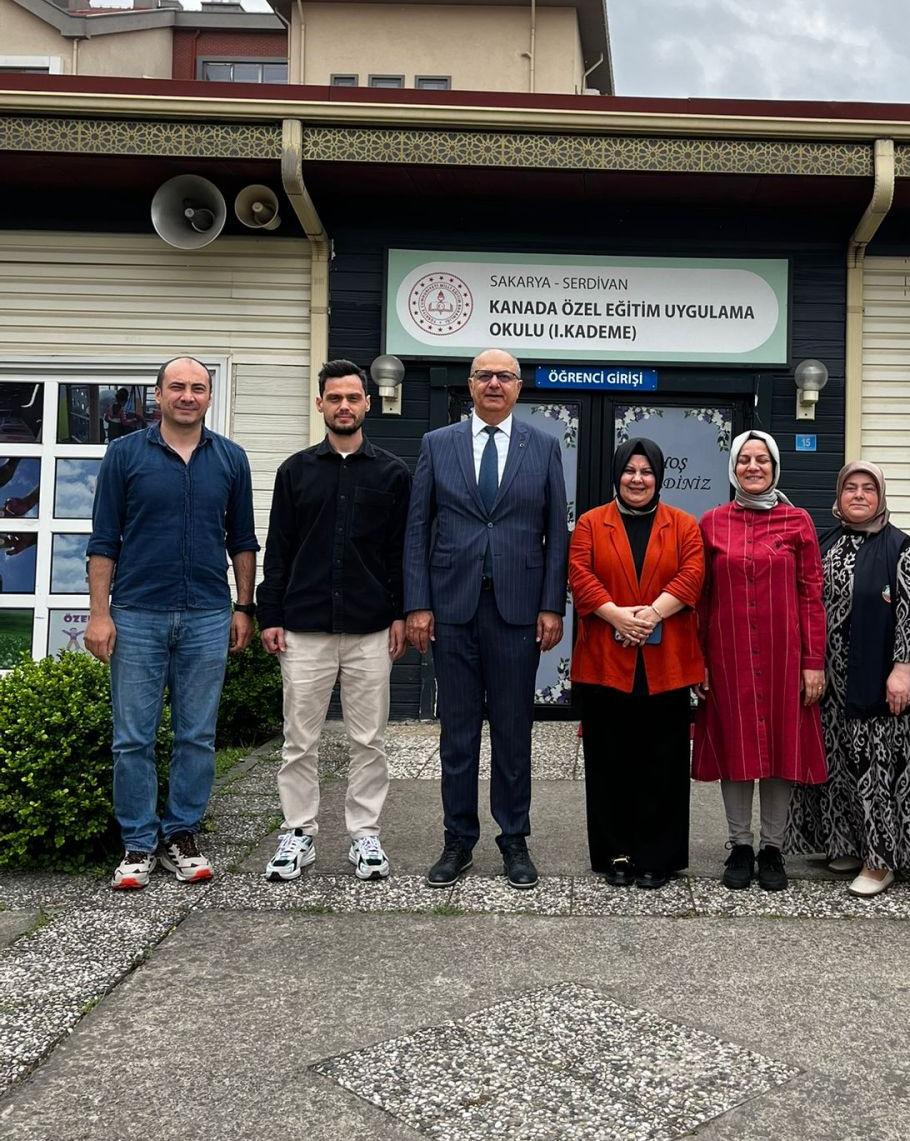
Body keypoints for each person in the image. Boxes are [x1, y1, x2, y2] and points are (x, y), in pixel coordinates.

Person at [86, 356, 258, 890]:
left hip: (207, 614)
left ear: (209, 397)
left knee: (197, 736)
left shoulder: (230, 458)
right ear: (157, 395)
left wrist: (244, 606)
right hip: (137, 613)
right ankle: (138, 842)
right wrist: (99, 613)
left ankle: (182, 834)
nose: (187, 396)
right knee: (132, 738)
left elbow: (242, 540)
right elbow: (103, 539)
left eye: (198, 388)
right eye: (177, 387)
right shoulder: (124, 454)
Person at [404, 349, 568, 889]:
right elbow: (418, 528)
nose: (494, 383)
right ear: (470, 385)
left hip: (517, 612)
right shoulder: (437, 444)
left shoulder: (543, 446)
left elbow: (556, 533)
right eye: (484, 376)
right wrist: (418, 604)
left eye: (504, 376)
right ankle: (458, 840)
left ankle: (514, 839)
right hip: (452, 611)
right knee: (457, 733)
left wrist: (552, 604)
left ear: (519, 387)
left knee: (514, 732)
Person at [258, 361, 411, 883]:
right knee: (299, 740)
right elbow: (278, 549)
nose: (344, 406)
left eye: (353, 397)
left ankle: (364, 833)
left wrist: (401, 613)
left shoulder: (393, 474)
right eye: (335, 397)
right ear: (320, 403)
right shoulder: (294, 472)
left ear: (367, 403)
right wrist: (270, 614)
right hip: (304, 629)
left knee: (369, 740)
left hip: (371, 629)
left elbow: (400, 552)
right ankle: (298, 833)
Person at [786, 462, 910, 896]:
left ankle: (880, 860)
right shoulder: (825, 542)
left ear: (881, 497)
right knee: (837, 765)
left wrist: (903, 671)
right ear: (839, 495)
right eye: (850, 488)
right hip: (828, 683)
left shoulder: (902, 548)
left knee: (876, 767)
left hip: (877, 680)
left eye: (869, 488)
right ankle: (847, 843)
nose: (859, 495)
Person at [693, 431, 826, 892]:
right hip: (727, 655)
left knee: (779, 748)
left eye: (762, 460)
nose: (753, 467)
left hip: (784, 656)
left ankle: (772, 848)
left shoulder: (798, 521)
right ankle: (740, 845)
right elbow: (701, 598)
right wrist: (698, 659)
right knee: (737, 747)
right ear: (733, 468)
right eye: (745, 460)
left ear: (775, 467)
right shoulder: (712, 522)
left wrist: (813, 661)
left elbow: (811, 595)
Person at [569, 439, 705, 888]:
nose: (637, 479)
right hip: (606, 660)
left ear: (659, 477)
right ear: (617, 475)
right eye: (630, 470)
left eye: (646, 471)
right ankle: (617, 853)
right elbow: (580, 574)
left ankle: (657, 855)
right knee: (609, 760)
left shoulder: (683, 524)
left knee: (662, 763)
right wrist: (616, 617)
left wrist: (650, 615)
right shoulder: (591, 523)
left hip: (666, 662)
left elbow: (692, 575)